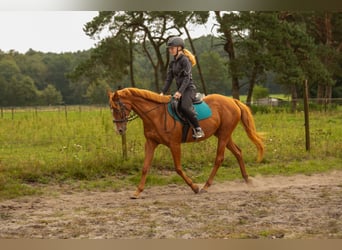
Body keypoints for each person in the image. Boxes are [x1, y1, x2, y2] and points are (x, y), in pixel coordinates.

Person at [160, 36, 205, 139]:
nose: (170, 50)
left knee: (185, 106)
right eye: (169, 48)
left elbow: (187, 78)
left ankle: (198, 129)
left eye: (172, 48)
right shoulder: (172, 63)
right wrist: (162, 92)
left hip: (189, 89)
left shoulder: (185, 60)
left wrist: (180, 92)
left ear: (179, 48)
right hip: (180, 90)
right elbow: (169, 79)